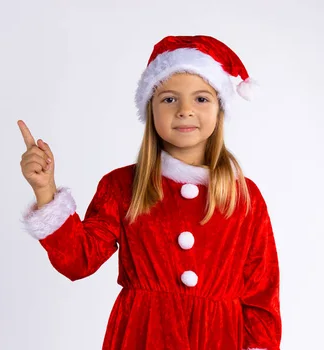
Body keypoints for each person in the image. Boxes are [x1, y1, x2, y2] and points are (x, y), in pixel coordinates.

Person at [17, 35, 281, 350]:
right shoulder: (122, 186)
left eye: (201, 99)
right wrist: (45, 189)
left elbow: (262, 291)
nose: (185, 110)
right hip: (143, 335)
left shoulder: (244, 196)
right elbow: (78, 260)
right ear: (150, 110)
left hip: (219, 337)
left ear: (220, 109)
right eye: (169, 99)